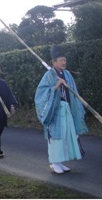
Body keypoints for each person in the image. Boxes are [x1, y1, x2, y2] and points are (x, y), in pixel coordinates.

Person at [35, 45, 88, 174]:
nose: (64, 62)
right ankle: (54, 163)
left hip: (67, 109)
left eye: (65, 60)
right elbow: (40, 94)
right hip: (55, 111)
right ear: (54, 62)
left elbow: (73, 91)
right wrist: (55, 87)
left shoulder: (67, 74)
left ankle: (60, 162)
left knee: (65, 136)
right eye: (61, 60)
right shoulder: (49, 75)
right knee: (56, 137)